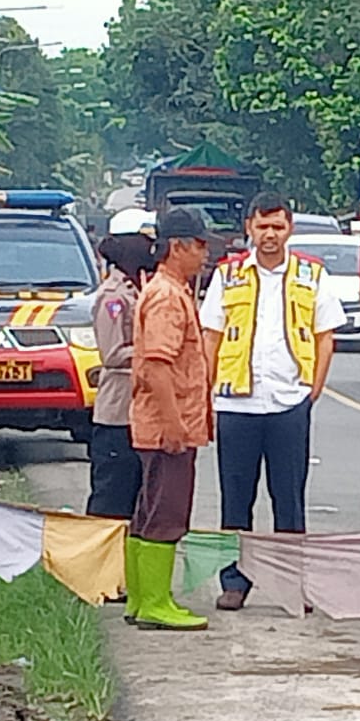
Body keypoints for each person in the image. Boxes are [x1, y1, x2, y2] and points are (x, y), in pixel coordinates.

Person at [201, 192, 346, 611]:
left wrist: (311, 392)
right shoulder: (227, 276)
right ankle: (234, 582)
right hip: (235, 404)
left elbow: (325, 337)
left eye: (277, 227)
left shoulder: (310, 274)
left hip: (288, 404)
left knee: (289, 499)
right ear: (249, 227)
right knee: (235, 499)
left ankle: (291, 584)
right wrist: (206, 393)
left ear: (290, 229)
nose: (269, 235)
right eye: (262, 227)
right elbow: (211, 336)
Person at [126, 208, 214, 631]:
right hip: (167, 427)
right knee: (166, 512)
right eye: (199, 245)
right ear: (177, 246)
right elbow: (158, 366)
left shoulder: (170, 290)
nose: (204, 253)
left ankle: (142, 599)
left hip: (157, 424)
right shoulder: (167, 297)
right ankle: (155, 602)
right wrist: (175, 423)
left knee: (149, 509)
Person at [86, 224, 157, 523]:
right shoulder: (112, 296)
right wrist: (154, 352)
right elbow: (112, 354)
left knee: (136, 503)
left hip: (138, 412)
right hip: (117, 414)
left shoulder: (136, 289)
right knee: (110, 504)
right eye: (145, 243)